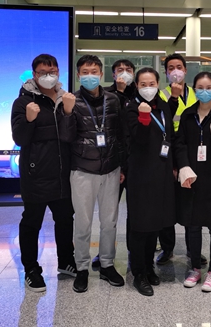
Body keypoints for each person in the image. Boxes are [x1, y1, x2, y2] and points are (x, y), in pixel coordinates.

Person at [10, 53, 76, 292]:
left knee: (65, 220)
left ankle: (66, 261)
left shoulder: (65, 98)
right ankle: (31, 269)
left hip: (62, 174)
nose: (49, 76)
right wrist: (29, 119)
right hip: (36, 173)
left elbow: (71, 136)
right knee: (32, 223)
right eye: (43, 72)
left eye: (52, 71)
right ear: (34, 74)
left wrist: (68, 112)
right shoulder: (23, 102)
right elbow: (20, 139)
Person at [65, 54, 126, 293]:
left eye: (94, 72)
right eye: (85, 72)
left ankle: (107, 264)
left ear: (101, 74)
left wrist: (122, 166)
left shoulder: (113, 100)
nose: (90, 76)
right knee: (83, 222)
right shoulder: (71, 100)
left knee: (109, 222)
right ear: (78, 75)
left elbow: (120, 135)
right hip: (83, 170)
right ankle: (81, 267)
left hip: (111, 169)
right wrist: (67, 112)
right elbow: (66, 137)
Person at [174, 72, 211, 292]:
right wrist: (183, 167)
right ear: (194, 89)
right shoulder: (188, 114)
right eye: (200, 87)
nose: (204, 91)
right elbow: (179, 143)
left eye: (209, 87)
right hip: (192, 176)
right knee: (193, 224)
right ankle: (195, 268)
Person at [125, 68, 176, 296]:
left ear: (158, 84)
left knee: (155, 224)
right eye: (143, 84)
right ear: (136, 86)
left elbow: (169, 137)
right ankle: (138, 273)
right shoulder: (131, 108)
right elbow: (138, 140)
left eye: (152, 83)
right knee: (140, 226)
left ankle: (148, 267)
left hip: (161, 172)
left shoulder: (163, 106)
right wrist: (144, 118)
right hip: (140, 174)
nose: (148, 88)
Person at [157, 53, 207, 267]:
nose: (175, 71)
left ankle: (192, 249)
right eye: (171, 68)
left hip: (192, 153)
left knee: (191, 203)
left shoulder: (198, 93)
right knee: (166, 203)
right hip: (168, 153)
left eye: (179, 67)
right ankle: (167, 248)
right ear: (166, 72)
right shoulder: (160, 95)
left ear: (185, 70)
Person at [88, 59, 137, 271]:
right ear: (113, 74)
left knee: (136, 212)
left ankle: (136, 253)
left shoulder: (140, 95)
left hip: (136, 163)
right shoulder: (106, 96)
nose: (124, 73)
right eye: (120, 70)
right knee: (109, 214)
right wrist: (119, 92)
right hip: (113, 163)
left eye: (128, 70)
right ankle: (104, 253)